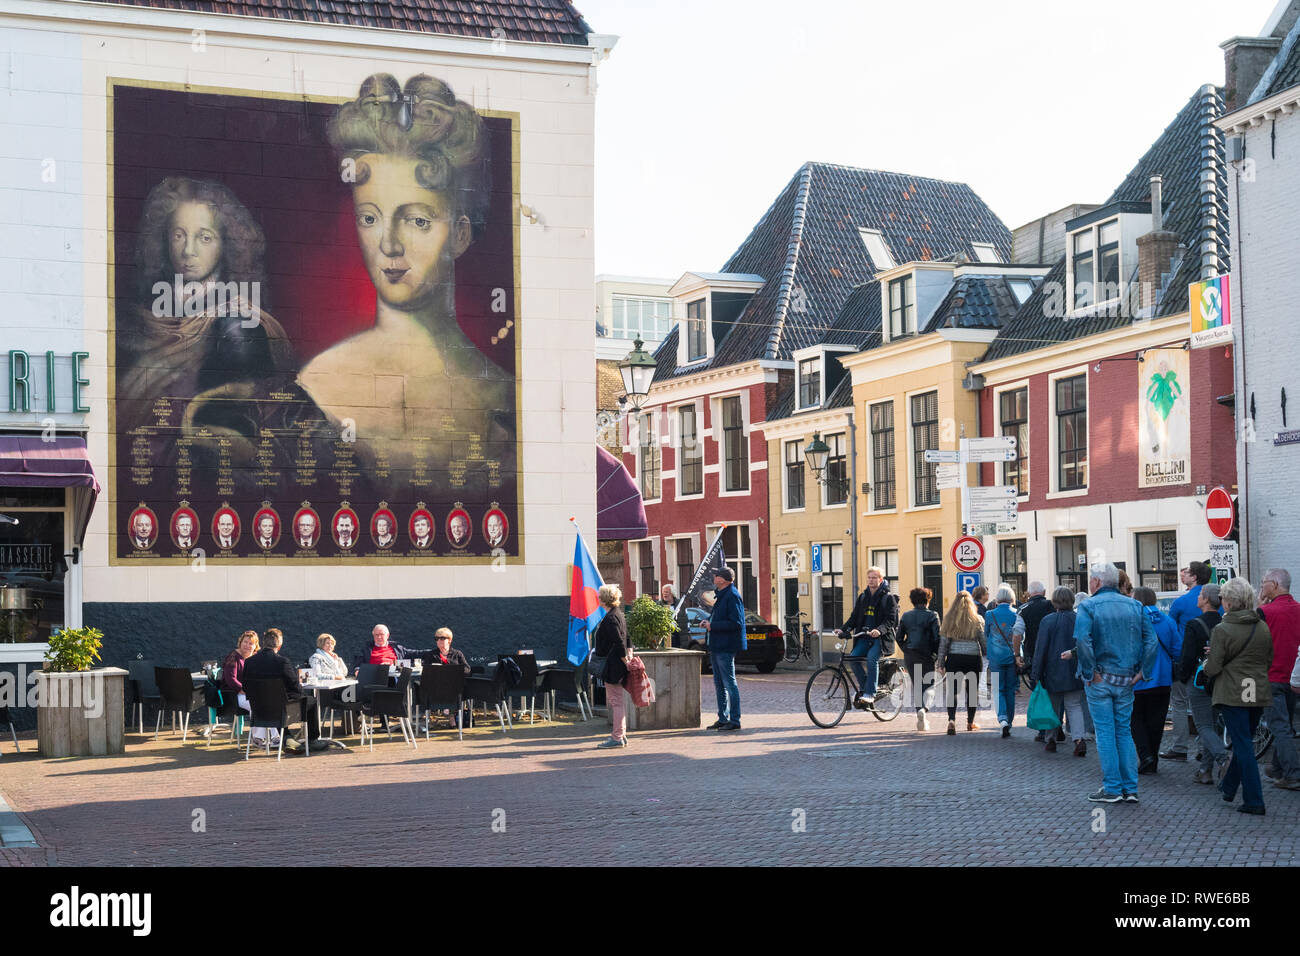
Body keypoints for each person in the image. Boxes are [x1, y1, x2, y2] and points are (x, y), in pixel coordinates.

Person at [296, 73, 515, 501]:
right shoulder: (316, 385)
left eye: (417, 220)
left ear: (460, 234)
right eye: (370, 218)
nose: (390, 245)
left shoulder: (503, 397)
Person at [1075, 562, 1157, 804]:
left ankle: (1112, 787)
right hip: (1126, 678)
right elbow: (1151, 642)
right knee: (1123, 730)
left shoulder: (1088, 606)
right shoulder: (1136, 606)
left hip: (1100, 678)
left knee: (1105, 732)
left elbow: (1082, 639)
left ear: (1097, 582)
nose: (1089, 583)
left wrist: (1091, 672)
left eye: (1091, 579)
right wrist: (1144, 671)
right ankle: (1130, 788)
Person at [1206, 576, 1274, 815]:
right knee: (1243, 740)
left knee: (1243, 745)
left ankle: (1255, 799)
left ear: (1229, 602)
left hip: (1232, 692)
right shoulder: (1261, 626)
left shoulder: (1222, 629)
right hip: (1256, 689)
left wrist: (1208, 663)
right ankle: (1228, 787)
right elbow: (1268, 660)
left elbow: (1213, 667)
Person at [242, 628, 328, 752]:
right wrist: (299, 693)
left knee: (278, 702)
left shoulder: (249, 662)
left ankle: (287, 738)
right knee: (312, 701)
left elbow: (245, 687)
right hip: (282, 710)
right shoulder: (282, 662)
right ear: (280, 645)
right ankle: (312, 740)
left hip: (258, 710)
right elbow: (295, 687)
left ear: (263, 643)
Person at [1178, 583, 1228, 784]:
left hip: (1199, 681)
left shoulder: (1194, 624)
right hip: (1220, 678)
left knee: (1203, 725)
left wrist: (1182, 676)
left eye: (1200, 595)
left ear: (1206, 599)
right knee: (1212, 724)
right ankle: (1205, 770)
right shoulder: (1224, 623)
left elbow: (1188, 656)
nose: (1197, 597)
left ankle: (1224, 759)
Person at [1161, 561, 1209, 763]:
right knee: (1206, 706)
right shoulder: (1217, 600)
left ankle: (1180, 747)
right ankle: (1205, 747)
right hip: (1209, 658)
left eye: (1187, 572)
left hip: (1184, 659)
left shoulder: (1182, 602)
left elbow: (1170, 628)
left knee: (1179, 703)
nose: (1183, 574)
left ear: (1194, 577)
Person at [1257, 568, 1300, 790]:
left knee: (1279, 726)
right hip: (1292, 678)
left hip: (1271, 676)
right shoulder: (1298, 610)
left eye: (1263, 583)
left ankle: (1292, 774)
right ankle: (1278, 768)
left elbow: (1251, 631)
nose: (1262, 587)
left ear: (1274, 584)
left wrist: (1259, 601)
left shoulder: (1266, 611)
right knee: (1285, 725)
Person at [1031, 587, 1087, 755]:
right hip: (1074, 669)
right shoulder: (1079, 619)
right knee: (1074, 706)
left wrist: (1036, 674)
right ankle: (1079, 739)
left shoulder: (1047, 621)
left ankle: (1051, 739)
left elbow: (1041, 649)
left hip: (1052, 670)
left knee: (1053, 707)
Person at [1131, 587, 1179, 774]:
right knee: (1157, 721)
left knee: (1135, 719)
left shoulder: (1133, 621)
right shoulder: (1167, 620)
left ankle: (1145, 755)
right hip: (1163, 679)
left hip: (1139, 679)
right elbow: (1177, 649)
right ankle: (1153, 758)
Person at [836, 566, 898, 711]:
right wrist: (843, 629)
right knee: (853, 659)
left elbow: (890, 620)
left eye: (874, 577)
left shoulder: (888, 598)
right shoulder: (863, 597)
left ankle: (870, 693)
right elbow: (854, 617)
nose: (871, 580)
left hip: (880, 639)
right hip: (864, 637)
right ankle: (865, 689)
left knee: (872, 659)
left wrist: (879, 630)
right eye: (869, 577)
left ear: (880, 579)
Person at [702, 567, 746, 731]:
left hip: (725, 646)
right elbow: (720, 617)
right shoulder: (722, 594)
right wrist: (708, 621)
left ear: (724, 579)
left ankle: (734, 720)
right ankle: (722, 717)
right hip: (717, 644)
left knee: (729, 683)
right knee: (719, 684)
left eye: (717, 575)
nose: (714, 576)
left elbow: (737, 623)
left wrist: (712, 626)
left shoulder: (732, 595)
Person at [936, 591, 986, 734]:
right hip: (973, 658)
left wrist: (940, 663)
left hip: (954, 657)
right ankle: (970, 723)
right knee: (972, 692)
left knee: (952, 691)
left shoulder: (948, 619)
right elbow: (983, 641)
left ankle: (951, 720)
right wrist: (987, 654)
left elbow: (943, 644)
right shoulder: (978, 619)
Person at [984, 583, 1025, 738]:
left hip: (995, 657)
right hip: (1012, 657)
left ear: (997, 599)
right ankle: (1010, 720)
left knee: (998, 689)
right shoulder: (1017, 613)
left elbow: (986, 633)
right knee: (1010, 690)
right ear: (1012, 598)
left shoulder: (989, 615)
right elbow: (1021, 636)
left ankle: (1002, 719)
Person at [592, 585, 630, 748]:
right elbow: (627, 639)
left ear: (604, 599)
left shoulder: (610, 618)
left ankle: (617, 737)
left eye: (599, 596)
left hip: (613, 665)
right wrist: (629, 656)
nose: (598, 598)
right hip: (616, 663)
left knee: (616, 702)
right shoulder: (618, 615)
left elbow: (619, 642)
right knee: (617, 701)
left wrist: (625, 661)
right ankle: (621, 734)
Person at [898, 587, 939, 731]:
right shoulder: (932, 615)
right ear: (928, 600)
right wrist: (936, 654)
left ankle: (920, 717)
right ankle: (925, 709)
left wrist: (906, 648)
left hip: (910, 654)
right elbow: (936, 638)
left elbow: (898, 637)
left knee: (917, 685)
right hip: (926, 654)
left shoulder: (906, 615)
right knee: (929, 684)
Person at [221, 630, 258, 717]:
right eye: (245, 642)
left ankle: (274, 731)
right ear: (240, 642)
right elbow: (231, 680)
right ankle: (258, 731)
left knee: (270, 705)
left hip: (247, 694)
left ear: (255, 646)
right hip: (233, 695)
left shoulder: (253, 658)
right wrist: (247, 691)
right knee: (258, 706)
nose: (247, 645)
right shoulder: (233, 657)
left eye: (251, 643)